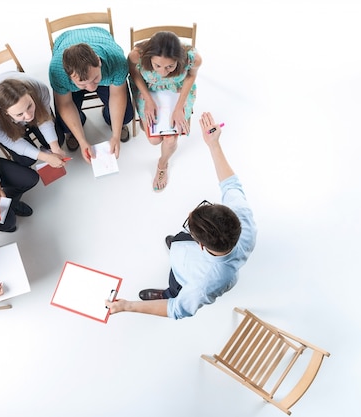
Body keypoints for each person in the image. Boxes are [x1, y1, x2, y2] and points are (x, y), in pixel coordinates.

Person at [105, 112, 257, 319]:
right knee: (177, 240)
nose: (188, 213)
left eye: (191, 227)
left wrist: (127, 306)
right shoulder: (243, 218)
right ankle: (176, 243)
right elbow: (230, 184)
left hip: (182, 276)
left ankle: (166, 292)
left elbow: (176, 308)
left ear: (201, 244)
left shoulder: (203, 284)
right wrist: (213, 144)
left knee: (173, 288)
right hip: (191, 250)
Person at [127, 31, 202, 191]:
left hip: (177, 91)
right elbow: (133, 74)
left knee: (170, 140)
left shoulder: (193, 59)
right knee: (154, 140)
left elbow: (191, 77)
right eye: (157, 66)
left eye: (170, 66)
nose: (163, 72)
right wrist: (147, 99)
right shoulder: (136, 55)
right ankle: (148, 125)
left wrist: (179, 107)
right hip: (149, 90)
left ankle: (162, 165)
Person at [49, 26, 134, 162]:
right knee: (64, 125)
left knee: (126, 115)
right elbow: (65, 104)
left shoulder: (117, 61)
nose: (91, 88)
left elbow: (118, 95)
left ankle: (108, 116)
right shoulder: (57, 71)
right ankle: (77, 125)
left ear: (99, 62)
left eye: (95, 79)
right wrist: (82, 140)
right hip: (65, 40)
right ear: (68, 76)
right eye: (83, 85)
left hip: (99, 37)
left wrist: (116, 136)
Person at [0, 71, 68, 168]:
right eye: (20, 114)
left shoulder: (40, 88)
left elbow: (44, 119)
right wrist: (46, 158)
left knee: (58, 140)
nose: (28, 117)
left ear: (31, 95)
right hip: (0, 120)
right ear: (5, 112)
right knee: (26, 160)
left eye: (29, 106)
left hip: (23, 88)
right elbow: (12, 142)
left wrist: (55, 148)